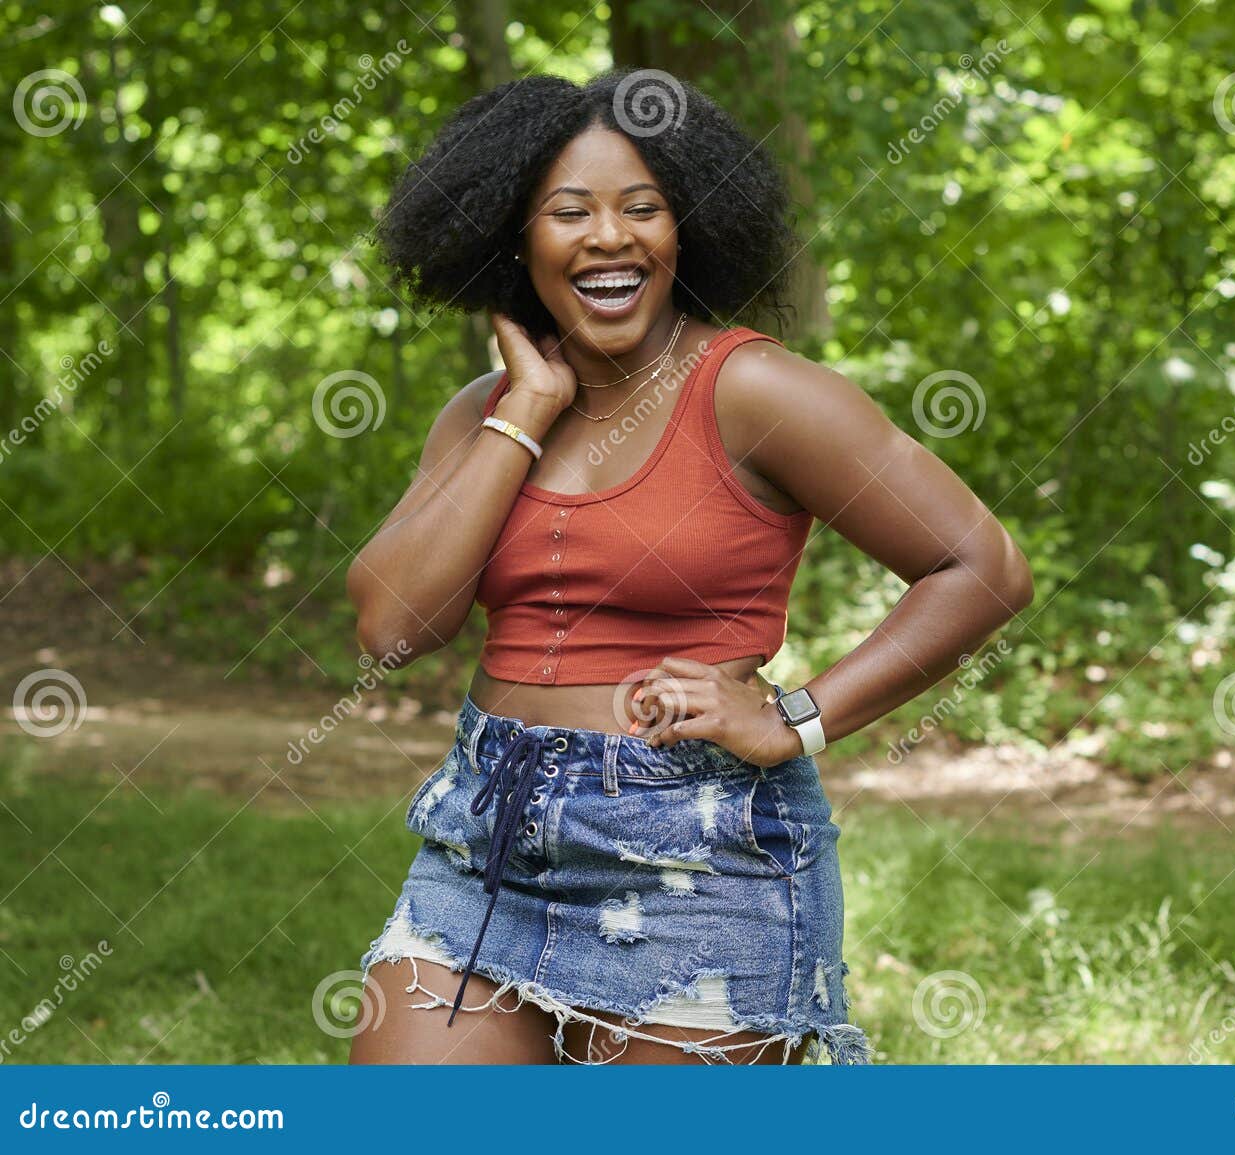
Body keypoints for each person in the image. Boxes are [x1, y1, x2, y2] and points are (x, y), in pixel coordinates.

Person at [344, 69, 1033, 1065]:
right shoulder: (484, 412)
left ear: (687, 231)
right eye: (567, 212)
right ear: (512, 238)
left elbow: (982, 567)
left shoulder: (755, 390)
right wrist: (526, 411)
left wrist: (797, 717)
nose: (610, 237)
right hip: (483, 843)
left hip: (697, 852)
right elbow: (392, 628)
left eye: (643, 209)